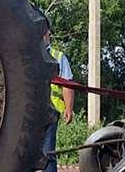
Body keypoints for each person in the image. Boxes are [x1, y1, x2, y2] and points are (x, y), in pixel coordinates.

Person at [42, 17, 74, 172]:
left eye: (45, 33)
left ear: (49, 35)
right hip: (30, 110)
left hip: (50, 111)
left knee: (48, 153)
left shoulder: (58, 57)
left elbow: (67, 84)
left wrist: (68, 108)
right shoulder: (27, 55)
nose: (43, 36)